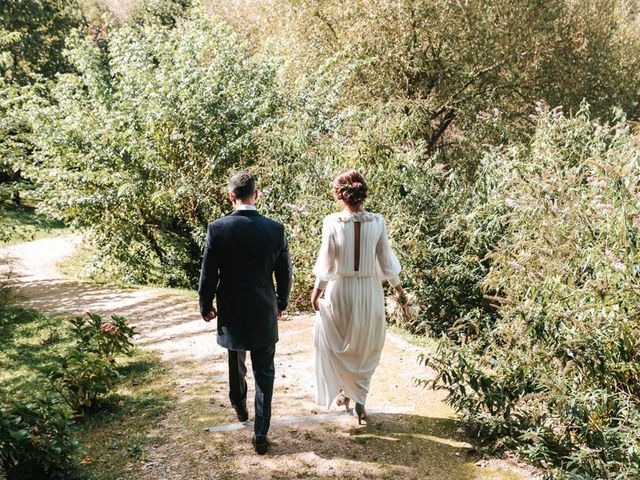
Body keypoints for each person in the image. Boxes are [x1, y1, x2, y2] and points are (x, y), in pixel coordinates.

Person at [198, 171, 293, 455]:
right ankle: (261, 432)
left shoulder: (218, 228)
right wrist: (281, 302)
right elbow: (284, 272)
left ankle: (239, 405)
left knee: (235, 362)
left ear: (231, 196)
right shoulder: (275, 229)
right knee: (265, 373)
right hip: (264, 309)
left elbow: (208, 272)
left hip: (233, 311)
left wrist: (205, 304)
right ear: (257, 194)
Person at [310, 169, 407, 424]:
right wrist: (400, 291)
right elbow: (387, 263)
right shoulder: (377, 221)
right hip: (369, 291)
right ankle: (359, 400)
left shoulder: (331, 221)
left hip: (340, 290)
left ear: (340, 195)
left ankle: (346, 392)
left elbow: (327, 262)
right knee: (366, 347)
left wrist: (317, 290)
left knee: (340, 344)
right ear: (361, 193)